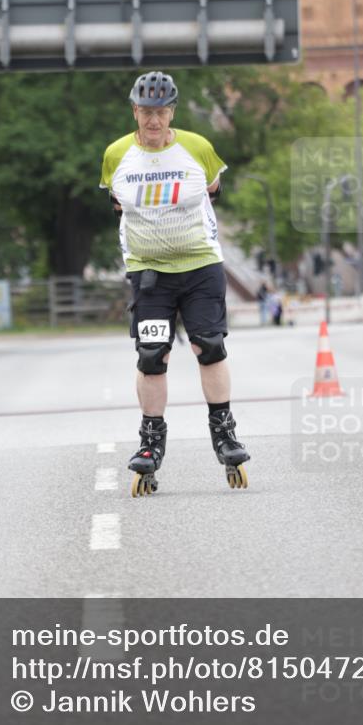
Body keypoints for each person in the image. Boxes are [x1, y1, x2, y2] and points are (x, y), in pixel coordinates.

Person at [99, 70, 250, 495]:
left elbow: (213, 188)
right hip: (148, 271)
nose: (153, 121)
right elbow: (116, 203)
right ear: (135, 111)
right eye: (146, 112)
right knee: (152, 354)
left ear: (172, 113)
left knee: (209, 345)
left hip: (201, 265)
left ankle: (224, 434)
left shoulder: (197, 148)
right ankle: (150, 444)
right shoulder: (116, 155)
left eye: (161, 112)